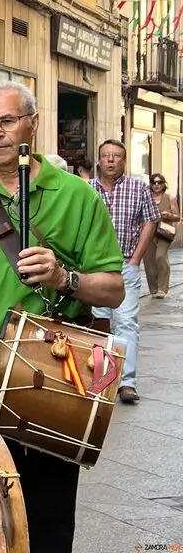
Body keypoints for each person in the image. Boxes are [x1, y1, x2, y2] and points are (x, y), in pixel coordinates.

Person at [0, 81, 124, 553]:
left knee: (51, 499)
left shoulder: (76, 196)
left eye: (8, 121)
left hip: (56, 352)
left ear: (33, 124)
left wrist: (65, 278)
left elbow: (114, 289)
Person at [90, 140, 160, 403]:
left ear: (124, 160)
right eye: (106, 156)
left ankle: (126, 383)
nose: (111, 160)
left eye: (116, 156)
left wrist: (136, 259)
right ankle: (101, 380)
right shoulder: (86, 190)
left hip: (125, 265)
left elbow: (150, 220)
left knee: (127, 322)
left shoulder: (137, 188)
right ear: (99, 160)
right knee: (99, 324)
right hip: (94, 268)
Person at [143, 172, 180, 299]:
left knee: (160, 257)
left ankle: (162, 288)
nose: (157, 185)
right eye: (154, 182)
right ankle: (153, 289)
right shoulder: (146, 197)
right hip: (148, 233)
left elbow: (177, 216)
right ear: (151, 185)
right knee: (149, 261)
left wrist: (168, 215)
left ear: (164, 184)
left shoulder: (169, 198)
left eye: (160, 182)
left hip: (165, 233)